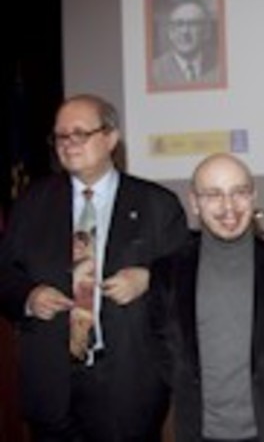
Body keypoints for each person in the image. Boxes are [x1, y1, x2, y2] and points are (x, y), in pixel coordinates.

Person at [0, 93, 188, 441]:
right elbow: (5, 275)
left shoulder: (157, 204)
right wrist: (29, 296)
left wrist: (149, 278)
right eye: (61, 135)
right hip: (50, 383)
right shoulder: (32, 203)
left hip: (127, 385)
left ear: (111, 138)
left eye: (80, 133)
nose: (68, 143)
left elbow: (187, 278)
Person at [148, 153, 264, 442]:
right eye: (214, 195)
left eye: (239, 192)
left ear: (253, 197)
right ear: (194, 202)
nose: (229, 207)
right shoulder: (167, 273)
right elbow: (164, 353)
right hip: (198, 433)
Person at [151, 0, 220, 89]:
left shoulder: (220, 66)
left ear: (206, 32)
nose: (185, 32)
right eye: (179, 24)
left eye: (193, 24)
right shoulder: (154, 72)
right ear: (170, 32)